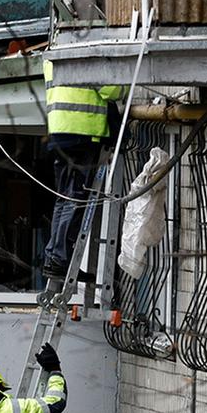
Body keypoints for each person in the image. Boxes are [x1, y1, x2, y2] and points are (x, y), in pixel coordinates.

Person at [40, 59, 126, 295]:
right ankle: (60, 259)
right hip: (82, 134)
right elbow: (113, 90)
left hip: (60, 132)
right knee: (75, 200)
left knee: (63, 198)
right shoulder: (87, 54)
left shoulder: (54, 55)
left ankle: (55, 257)